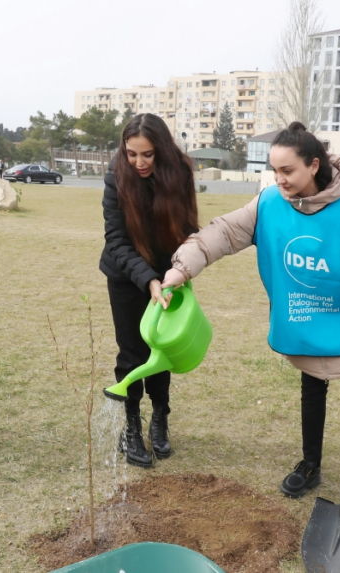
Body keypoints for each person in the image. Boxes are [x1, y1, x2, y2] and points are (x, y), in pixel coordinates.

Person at [163, 122, 340, 523]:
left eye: (288, 171)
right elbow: (224, 233)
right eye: (274, 170)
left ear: (314, 165)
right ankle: (310, 466)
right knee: (311, 392)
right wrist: (182, 268)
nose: (279, 179)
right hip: (304, 320)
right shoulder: (267, 203)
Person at [100, 113, 199, 468]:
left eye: (147, 155)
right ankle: (130, 426)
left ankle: (160, 417)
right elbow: (116, 239)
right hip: (126, 275)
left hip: (170, 274)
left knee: (163, 347)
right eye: (131, 154)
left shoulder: (181, 173)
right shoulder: (116, 176)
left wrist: (176, 272)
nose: (138, 163)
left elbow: (189, 229)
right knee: (133, 353)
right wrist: (148, 280)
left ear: (162, 151)